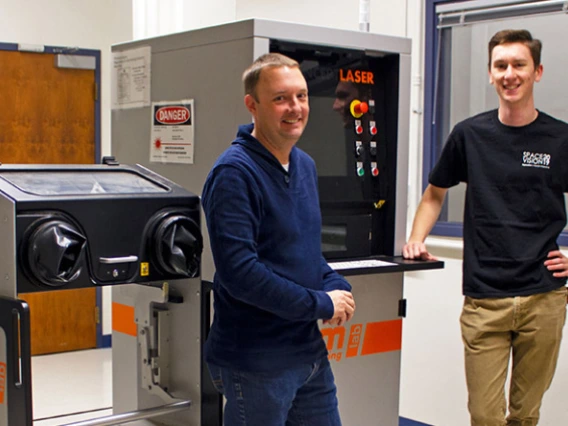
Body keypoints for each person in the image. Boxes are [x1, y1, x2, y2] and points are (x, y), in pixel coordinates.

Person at [403, 29, 568, 425]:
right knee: (484, 415)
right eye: (501, 66)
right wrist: (415, 239)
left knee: (526, 414)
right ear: (491, 74)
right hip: (484, 297)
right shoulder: (469, 134)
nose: (509, 74)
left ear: (537, 72)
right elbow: (433, 193)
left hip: (543, 298)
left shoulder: (560, 138)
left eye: (519, 65)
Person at [201, 53, 356, 426]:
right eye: (281, 98)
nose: (295, 108)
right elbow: (241, 273)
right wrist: (321, 303)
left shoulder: (304, 165)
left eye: (301, 97)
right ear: (252, 106)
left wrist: (334, 284)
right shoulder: (233, 174)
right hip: (255, 361)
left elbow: (302, 251)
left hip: (307, 354)